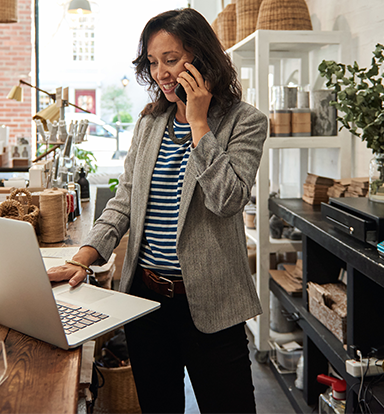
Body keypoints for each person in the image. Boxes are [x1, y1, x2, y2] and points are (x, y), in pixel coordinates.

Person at [47, 7, 267, 413]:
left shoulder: (244, 122)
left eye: (171, 59)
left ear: (201, 59)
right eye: (153, 62)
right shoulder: (150, 124)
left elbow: (228, 200)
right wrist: (85, 255)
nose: (161, 73)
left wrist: (199, 124)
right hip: (146, 302)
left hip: (213, 305)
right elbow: (124, 200)